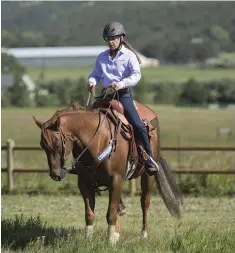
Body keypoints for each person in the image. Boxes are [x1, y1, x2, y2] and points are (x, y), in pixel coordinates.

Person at [88, 21, 157, 175]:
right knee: (88, 120)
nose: (111, 42)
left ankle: (148, 157)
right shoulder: (102, 57)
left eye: (113, 38)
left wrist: (120, 84)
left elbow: (136, 75)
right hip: (106, 95)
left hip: (123, 95)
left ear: (120, 38)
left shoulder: (129, 56)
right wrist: (92, 82)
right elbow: (96, 74)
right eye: (108, 39)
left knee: (137, 124)